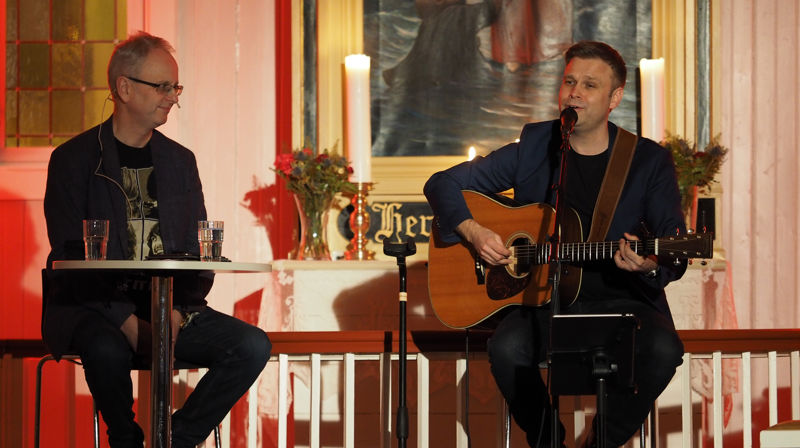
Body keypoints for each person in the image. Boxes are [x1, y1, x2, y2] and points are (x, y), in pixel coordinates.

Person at [424, 41, 686, 447]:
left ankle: (600, 443)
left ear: (615, 98)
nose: (575, 92)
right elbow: (442, 183)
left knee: (664, 349)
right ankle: (548, 441)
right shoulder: (535, 146)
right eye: (569, 81)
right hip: (542, 302)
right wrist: (473, 231)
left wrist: (648, 264)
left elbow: (673, 248)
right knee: (507, 349)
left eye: (589, 85)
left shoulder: (647, 161)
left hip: (622, 302)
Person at [42, 32, 271, 448]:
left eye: (175, 87)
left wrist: (177, 314)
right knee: (108, 350)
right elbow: (70, 256)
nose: (172, 97)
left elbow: (197, 252)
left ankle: (175, 441)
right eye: (162, 86)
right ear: (124, 88)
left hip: (171, 308)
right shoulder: (73, 160)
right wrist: (128, 322)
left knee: (251, 345)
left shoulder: (180, 161)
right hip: (95, 307)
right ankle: (125, 440)